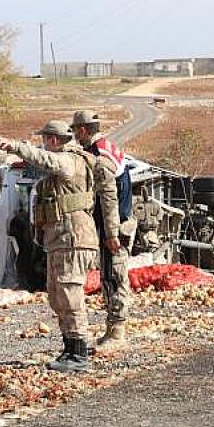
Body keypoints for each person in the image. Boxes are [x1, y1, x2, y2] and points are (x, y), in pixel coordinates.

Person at [0, 120, 120, 372]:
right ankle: (70, 347)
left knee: (70, 294)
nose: (43, 145)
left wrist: (15, 147)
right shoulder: (71, 160)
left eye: (45, 140)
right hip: (61, 239)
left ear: (52, 140)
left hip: (73, 238)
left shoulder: (68, 160)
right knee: (58, 294)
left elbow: (46, 160)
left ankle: (79, 352)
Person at [71, 110, 133, 351]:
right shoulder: (109, 146)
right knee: (111, 275)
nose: (75, 136)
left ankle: (117, 333)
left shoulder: (99, 156)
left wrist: (111, 234)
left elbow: (109, 197)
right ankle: (112, 330)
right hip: (119, 222)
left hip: (115, 226)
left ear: (84, 130)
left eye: (76, 131)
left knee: (115, 277)